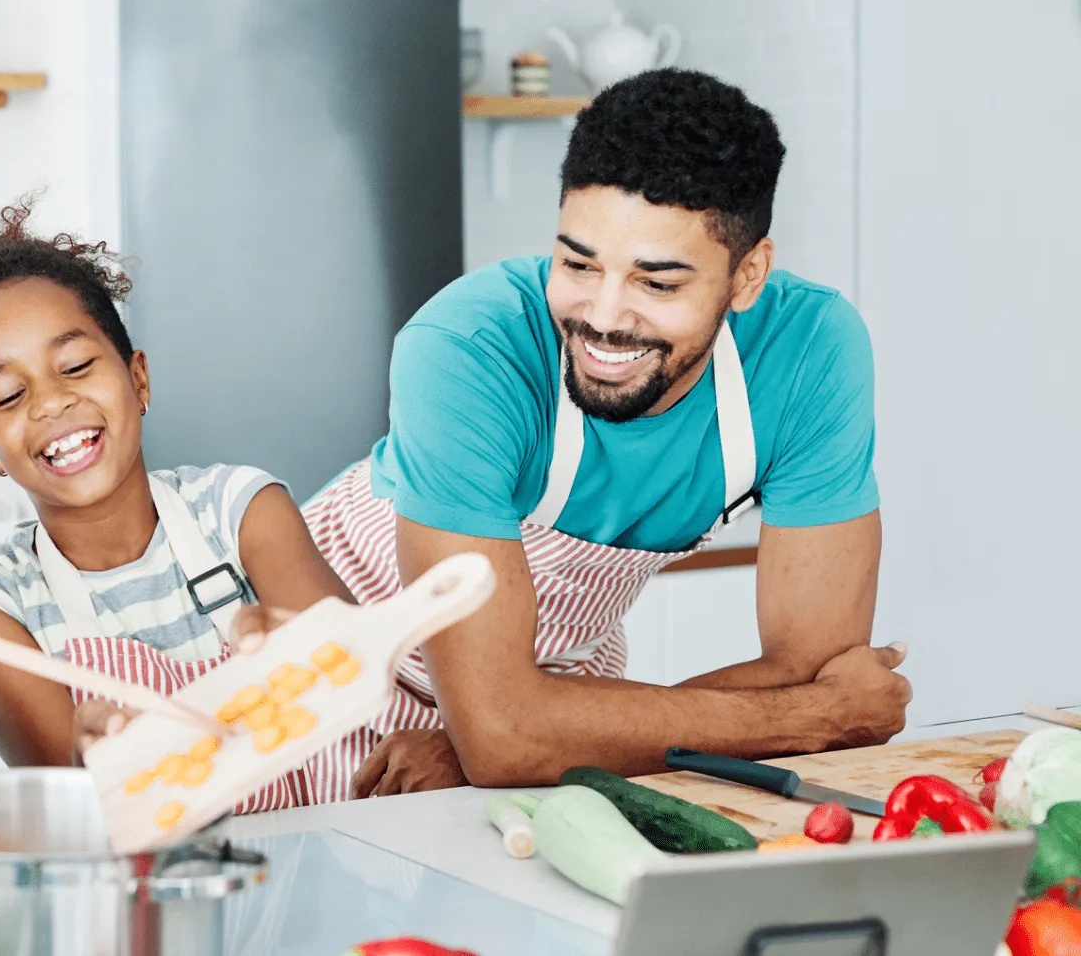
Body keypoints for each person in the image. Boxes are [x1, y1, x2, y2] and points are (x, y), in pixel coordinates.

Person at [302, 68, 913, 790]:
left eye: (658, 283)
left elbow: (812, 669)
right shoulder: (467, 347)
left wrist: (530, 737)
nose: (604, 316)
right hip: (317, 677)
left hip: (561, 687)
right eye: (577, 263)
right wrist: (501, 736)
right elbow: (823, 705)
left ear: (748, 277)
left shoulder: (810, 350)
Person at [0, 201, 405, 808]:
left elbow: (356, 681)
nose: (50, 403)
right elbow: (78, 803)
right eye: (10, 395)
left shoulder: (241, 511)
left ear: (138, 379)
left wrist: (302, 648)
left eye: (74, 366)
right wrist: (90, 757)